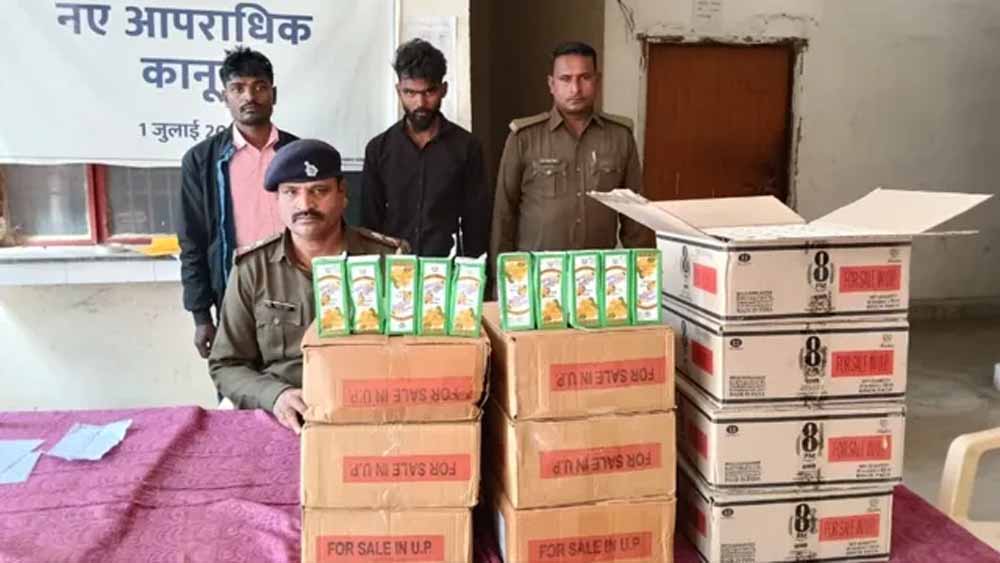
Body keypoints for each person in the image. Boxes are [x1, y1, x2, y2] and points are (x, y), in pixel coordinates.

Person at [209, 139, 408, 433]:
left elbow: (413, 351)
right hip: (283, 410)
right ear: (277, 200)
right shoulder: (253, 268)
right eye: (291, 192)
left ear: (343, 193)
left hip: (369, 408)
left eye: (319, 190)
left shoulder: (388, 260)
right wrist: (275, 396)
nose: (305, 205)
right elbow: (226, 364)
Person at [178, 46, 299, 364]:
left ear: (274, 94)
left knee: (301, 380)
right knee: (239, 380)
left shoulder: (298, 153)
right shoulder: (202, 160)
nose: (250, 97)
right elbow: (192, 242)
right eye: (238, 88)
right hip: (234, 291)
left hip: (298, 289)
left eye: (259, 87)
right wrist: (201, 316)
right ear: (225, 96)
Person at [489, 41, 653, 261]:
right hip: (538, 272)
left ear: (597, 81)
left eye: (584, 78)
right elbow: (504, 214)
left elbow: (636, 216)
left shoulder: (620, 137)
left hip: (599, 270)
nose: (575, 89)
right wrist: (501, 277)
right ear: (551, 84)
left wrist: (644, 272)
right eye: (565, 79)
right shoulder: (524, 138)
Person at [361, 38, 490, 257]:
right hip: (393, 267)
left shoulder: (467, 147)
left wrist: (474, 271)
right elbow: (369, 225)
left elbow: (476, 221)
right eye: (410, 93)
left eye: (429, 92)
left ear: (443, 89)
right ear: (398, 91)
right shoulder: (378, 150)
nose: (420, 103)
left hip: (447, 267)